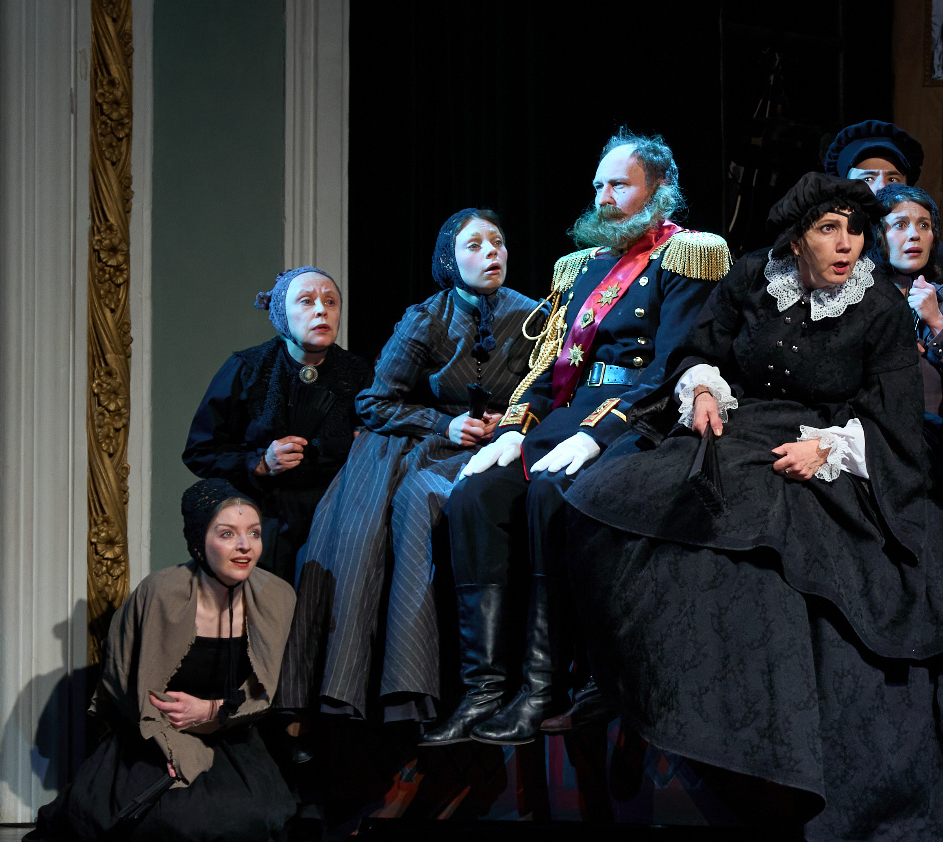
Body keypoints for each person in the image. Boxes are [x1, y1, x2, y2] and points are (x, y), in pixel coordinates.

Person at [562, 172, 943, 842]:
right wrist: (704, 391)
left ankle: (770, 767)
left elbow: (898, 417)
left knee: (778, 551)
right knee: (615, 500)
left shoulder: (878, 303)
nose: (846, 244)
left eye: (855, 231)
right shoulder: (754, 277)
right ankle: (629, 689)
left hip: (832, 444)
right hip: (742, 428)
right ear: (796, 239)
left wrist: (829, 448)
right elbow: (701, 350)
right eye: (828, 230)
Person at [433, 129, 730, 746]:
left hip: (643, 416)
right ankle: (484, 688)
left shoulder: (690, 255)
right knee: (474, 496)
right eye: (599, 185)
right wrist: (513, 429)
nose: (604, 197)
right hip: (567, 415)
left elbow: (671, 365)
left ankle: (543, 688)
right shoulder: (580, 267)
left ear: (660, 190)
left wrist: (601, 433)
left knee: (551, 494)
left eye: (619, 184)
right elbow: (550, 364)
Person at [276, 209, 546, 730]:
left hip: (510, 444)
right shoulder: (427, 318)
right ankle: (398, 689)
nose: (491, 252)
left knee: (433, 497)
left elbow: (554, 388)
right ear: (449, 260)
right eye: (474, 245)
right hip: (439, 443)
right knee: (397, 507)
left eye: (497, 242)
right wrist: (445, 425)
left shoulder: (536, 317)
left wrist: (514, 421)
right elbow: (375, 402)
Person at [24, 480, 297, 842]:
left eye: (254, 533)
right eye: (227, 533)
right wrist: (170, 743)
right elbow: (125, 679)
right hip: (154, 733)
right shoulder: (162, 592)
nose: (245, 546)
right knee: (165, 821)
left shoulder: (276, 596)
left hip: (228, 733)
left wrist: (211, 711)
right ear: (199, 541)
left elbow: (266, 687)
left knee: (240, 820)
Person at [183, 268, 373, 585]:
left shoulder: (357, 373)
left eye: (330, 301)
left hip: (335, 522)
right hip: (265, 523)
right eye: (306, 301)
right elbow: (200, 451)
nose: (322, 310)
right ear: (282, 314)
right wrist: (260, 463)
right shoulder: (248, 369)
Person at [872, 183, 943, 417]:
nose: (914, 234)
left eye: (924, 225)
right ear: (879, 235)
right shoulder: (859, 303)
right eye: (900, 224)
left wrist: (936, 321)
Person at [823, 120, 943, 283]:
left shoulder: (937, 259)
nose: (882, 187)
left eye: (892, 179)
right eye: (867, 179)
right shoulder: (827, 252)